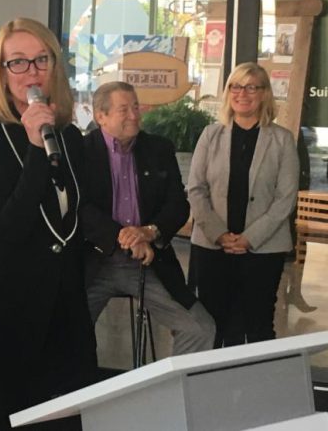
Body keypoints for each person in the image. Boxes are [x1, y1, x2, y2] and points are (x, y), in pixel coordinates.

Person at [0, 18, 98, 430]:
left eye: (41, 59)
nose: (32, 72)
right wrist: (36, 147)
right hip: (6, 321)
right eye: (17, 62)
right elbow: (7, 229)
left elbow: (75, 219)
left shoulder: (70, 136)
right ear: (1, 74)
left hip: (65, 320)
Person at [80, 81, 215, 357]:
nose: (134, 115)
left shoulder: (158, 149)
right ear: (101, 116)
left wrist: (148, 233)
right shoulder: (82, 152)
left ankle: (172, 394)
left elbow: (178, 205)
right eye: (124, 109)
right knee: (65, 331)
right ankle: (77, 395)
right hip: (92, 261)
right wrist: (125, 237)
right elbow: (80, 207)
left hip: (148, 260)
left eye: (136, 107)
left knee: (200, 329)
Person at [188, 62, 298, 347]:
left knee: (258, 325)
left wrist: (250, 238)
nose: (243, 93)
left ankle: (256, 388)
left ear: (264, 94)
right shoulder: (210, 135)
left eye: (252, 87)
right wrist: (219, 234)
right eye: (236, 86)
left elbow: (285, 199)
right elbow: (196, 190)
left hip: (263, 250)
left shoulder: (282, 140)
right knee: (214, 324)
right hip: (213, 247)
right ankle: (213, 387)